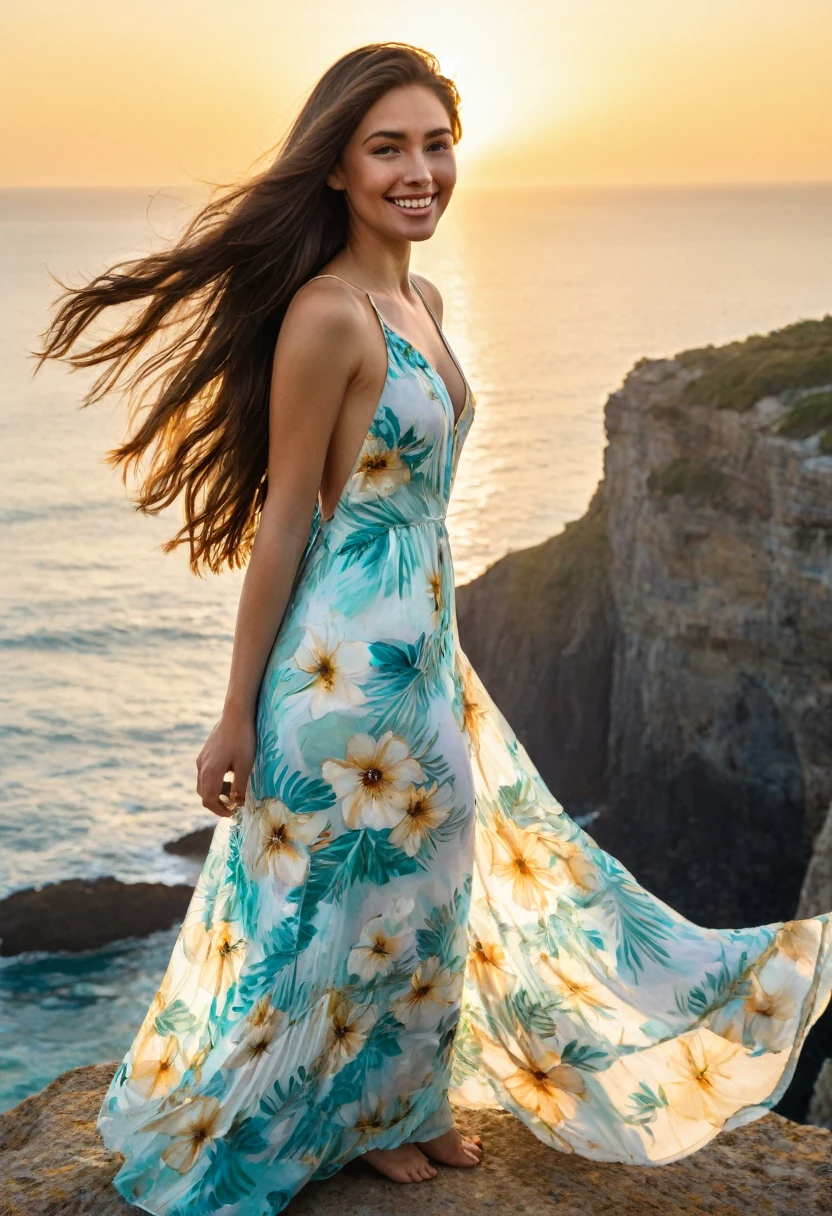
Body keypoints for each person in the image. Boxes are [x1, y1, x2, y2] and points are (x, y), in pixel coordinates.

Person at [37, 39, 832, 1216]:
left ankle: (396, 1107)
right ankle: (330, 1127)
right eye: (388, 148)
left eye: (436, 142)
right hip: (343, 670)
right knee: (341, 902)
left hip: (420, 654)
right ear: (337, 171)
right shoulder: (326, 317)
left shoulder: (421, 298)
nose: (420, 169)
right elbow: (281, 526)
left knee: (428, 873)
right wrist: (233, 710)